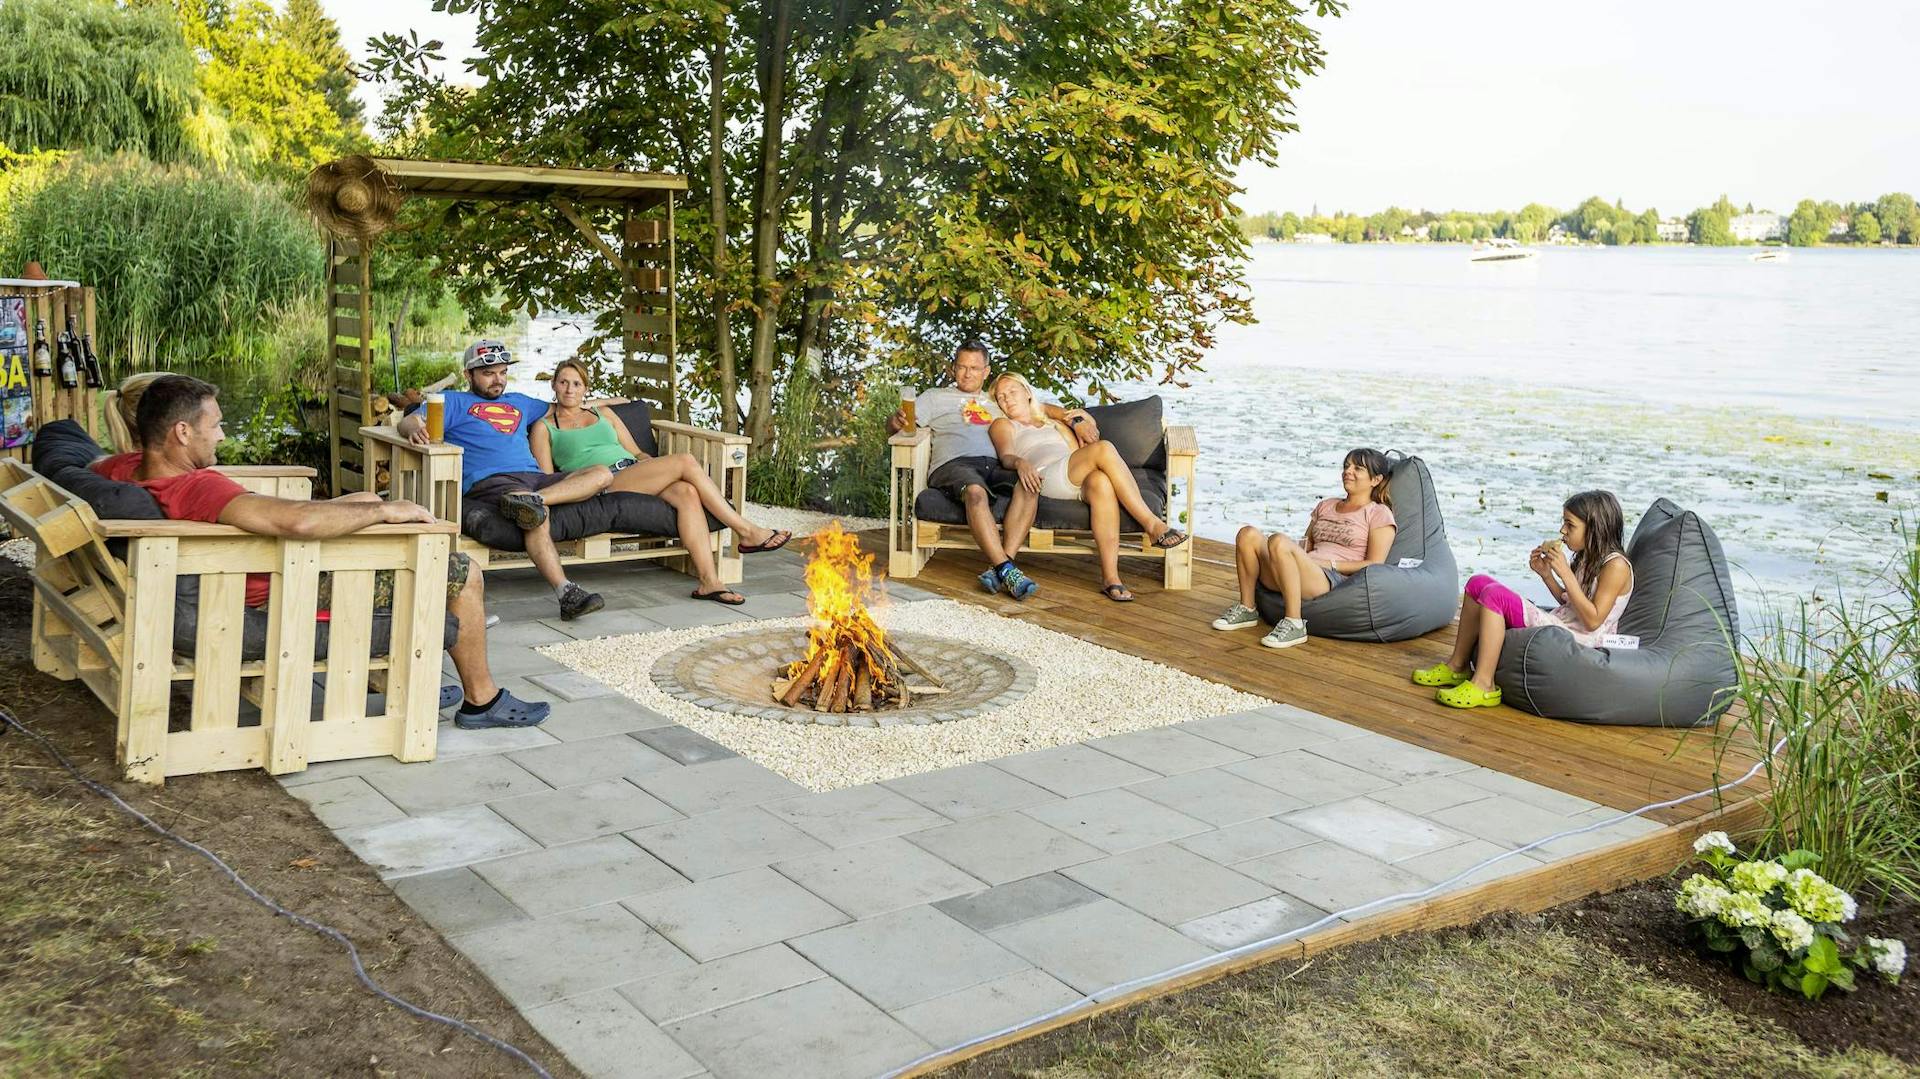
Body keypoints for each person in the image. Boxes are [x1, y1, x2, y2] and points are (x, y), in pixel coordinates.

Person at [93, 375, 549, 729]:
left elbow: (288, 515)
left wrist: (366, 505)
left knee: (370, 503)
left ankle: (414, 685)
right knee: (458, 569)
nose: (223, 436)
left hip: (247, 573)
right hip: (281, 587)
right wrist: (386, 514)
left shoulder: (123, 467)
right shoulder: (197, 486)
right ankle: (481, 698)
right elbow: (300, 523)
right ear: (182, 432)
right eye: (215, 426)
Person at [528, 358, 790, 605]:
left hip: (634, 470)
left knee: (686, 491)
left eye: (577, 383)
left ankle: (710, 582)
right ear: (553, 385)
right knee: (685, 461)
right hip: (600, 481)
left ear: (586, 387)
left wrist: (647, 464)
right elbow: (550, 478)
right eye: (563, 382)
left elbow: (636, 449)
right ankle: (746, 531)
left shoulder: (603, 413)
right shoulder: (545, 426)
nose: (569, 389)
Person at [395, 340, 613, 621]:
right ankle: (566, 592)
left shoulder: (520, 402)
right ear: (468, 375)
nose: (497, 380)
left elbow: (566, 404)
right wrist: (414, 428)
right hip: (492, 480)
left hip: (535, 480)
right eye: (488, 373)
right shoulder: (453, 401)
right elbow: (409, 421)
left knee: (602, 474)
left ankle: (532, 502)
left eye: (502, 373)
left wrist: (619, 403)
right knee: (535, 516)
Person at [885, 339, 1101, 599]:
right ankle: (1007, 569)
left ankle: (1001, 565)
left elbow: (1041, 408)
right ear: (953, 369)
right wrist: (894, 422)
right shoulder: (935, 397)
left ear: (986, 371)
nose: (967, 373)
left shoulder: (997, 400)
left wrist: (1076, 420)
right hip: (954, 464)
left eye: (975, 368)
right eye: (961, 367)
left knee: (1029, 482)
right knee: (976, 493)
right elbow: (898, 425)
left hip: (996, 465)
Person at [1412, 490, 1634, 709]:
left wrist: (1565, 573)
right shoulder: (1587, 558)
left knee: (1494, 596)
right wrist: (1546, 575)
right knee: (1477, 583)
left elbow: (1593, 620)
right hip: (1564, 623)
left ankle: (1484, 684)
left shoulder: (1616, 566)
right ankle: (1458, 666)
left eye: (1570, 524)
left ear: (1594, 528)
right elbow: (1570, 605)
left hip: (1584, 639)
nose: (1562, 530)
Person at [987, 372, 1188, 602]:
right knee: (1103, 449)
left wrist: (1080, 423)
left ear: (1027, 393)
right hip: (1045, 475)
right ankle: (1152, 524)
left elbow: (1076, 424)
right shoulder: (1003, 424)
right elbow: (1006, 456)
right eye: (1001, 397)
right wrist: (1021, 463)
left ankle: (1111, 578)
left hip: (1073, 474)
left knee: (1102, 483)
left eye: (1012, 392)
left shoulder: (1050, 420)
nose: (1008, 399)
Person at [1212, 449, 1397, 649]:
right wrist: (1299, 556)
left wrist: (1326, 564)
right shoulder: (1326, 505)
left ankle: (1294, 622)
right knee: (1247, 534)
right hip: (1305, 568)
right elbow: (1306, 543)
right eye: (1346, 466)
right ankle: (1247, 608)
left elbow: (1375, 564)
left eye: (1357, 468)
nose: (1347, 471)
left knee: (1279, 541)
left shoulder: (1379, 513)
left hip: (1329, 579)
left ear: (1376, 479)